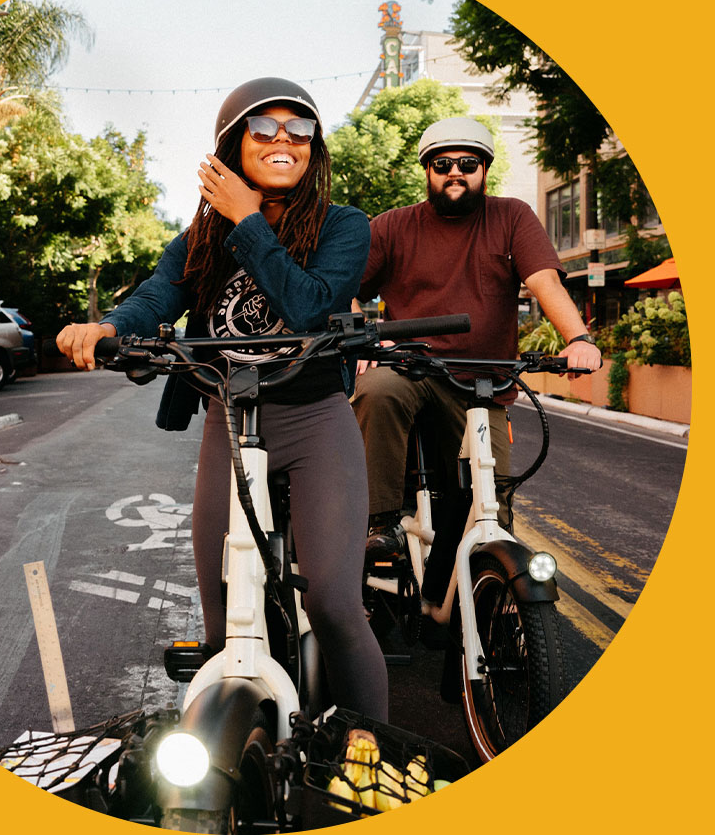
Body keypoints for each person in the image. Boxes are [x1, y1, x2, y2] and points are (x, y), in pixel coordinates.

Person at [56, 77, 387, 721]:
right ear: (234, 147)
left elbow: (313, 308)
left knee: (336, 605)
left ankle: (367, 745)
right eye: (264, 130)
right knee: (220, 613)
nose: (283, 140)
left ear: (315, 151)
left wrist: (245, 217)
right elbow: (156, 296)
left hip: (317, 421)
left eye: (300, 130)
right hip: (229, 422)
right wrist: (109, 328)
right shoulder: (201, 241)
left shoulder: (344, 226)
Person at [351, 117, 602, 603]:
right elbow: (347, 292)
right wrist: (364, 340)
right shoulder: (392, 225)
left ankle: (490, 591)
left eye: (467, 163)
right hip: (411, 368)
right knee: (377, 390)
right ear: (426, 170)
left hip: (483, 381)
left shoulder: (511, 216)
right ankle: (380, 524)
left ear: (484, 169)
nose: (454, 173)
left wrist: (579, 338)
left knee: (492, 507)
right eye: (442, 164)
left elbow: (544, 280)